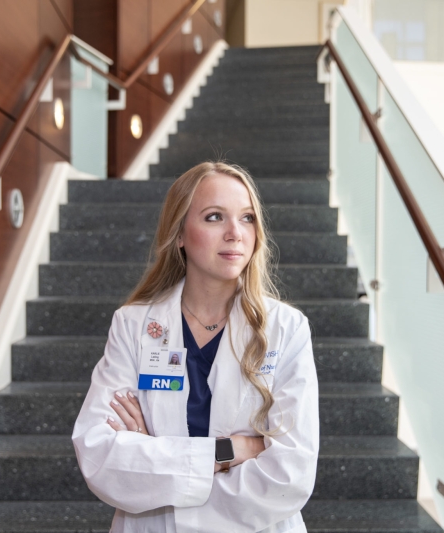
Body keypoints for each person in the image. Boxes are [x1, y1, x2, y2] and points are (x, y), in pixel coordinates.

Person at [72, 161, 319, 532]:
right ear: (180, 234)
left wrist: (157, 461)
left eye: (248, 218)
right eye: (215, 217)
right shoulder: (133, 325)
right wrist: (231, 451)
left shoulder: (286, 329)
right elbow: (100, 455)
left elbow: (289, 477)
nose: (236, 233)